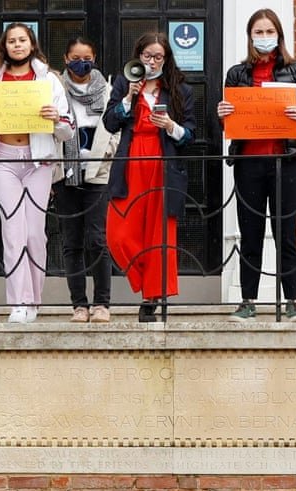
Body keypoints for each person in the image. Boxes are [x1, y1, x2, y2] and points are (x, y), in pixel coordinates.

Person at [0, 23, 73, 324]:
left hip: (39, 161)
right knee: (12, 232)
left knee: (35, 234)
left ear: (31, 44)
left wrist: (55, 119)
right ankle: (18, 303)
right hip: (3, 160)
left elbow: (67, 130)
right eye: (11, 41)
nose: (17, 45)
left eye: (22, 40)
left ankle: (34, 300)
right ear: (4, 46)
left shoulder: (48, 79)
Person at [216, 9, 296, 322]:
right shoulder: (236, 73)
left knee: (286, 233)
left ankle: (292, 302)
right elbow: (226, 122)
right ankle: (248, 301)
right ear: (250, 36)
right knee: (251, 232)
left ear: (279, 35)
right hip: (249, 162)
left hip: (285, 162)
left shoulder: (295, 70)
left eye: (269, 31)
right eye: (258, 32)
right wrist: (223, 112)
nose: (264, 37)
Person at [103, 33, 196, 323]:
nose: (152, 61)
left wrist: (170, 126)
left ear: (166, 60)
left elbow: (190, 134)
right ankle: (144, 278)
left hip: (162, 162)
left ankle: (152, 297)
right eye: (147, 56)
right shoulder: (123, 82)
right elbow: (109, 122)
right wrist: (129, 98)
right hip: (130, 163)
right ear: (138, 55)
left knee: (159, 234)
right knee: (118, 233)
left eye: (158, 57)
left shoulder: (180, 89)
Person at [54, 37, 115, 324]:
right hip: (65, 172)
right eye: (76, 57)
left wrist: (107, 153)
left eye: (87, 57)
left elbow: (116, 127)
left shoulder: (107, 90)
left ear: (95, 58)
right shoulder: (54, 89)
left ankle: (102, 303)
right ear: (66, 58)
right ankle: (79, 304)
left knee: (97, 238)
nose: (82, 62)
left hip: (99, 172)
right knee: (72, 242)